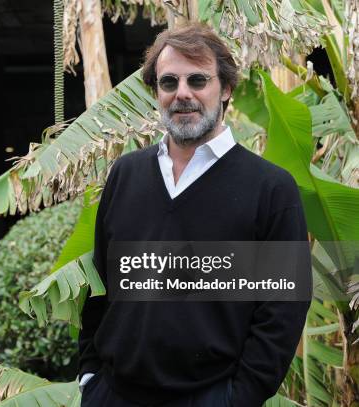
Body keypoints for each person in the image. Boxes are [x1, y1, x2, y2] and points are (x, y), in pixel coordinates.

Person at [78, 23, 311, 407]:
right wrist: (90, 376)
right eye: (169, 82)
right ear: (157, 92)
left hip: (210, 397)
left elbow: (282, 310)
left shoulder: (270, 188)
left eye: (198, 80)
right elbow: (99, 283)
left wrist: (239, 396)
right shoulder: (126, 174)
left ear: (227, 89)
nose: (182, 93)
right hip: (114, 394)